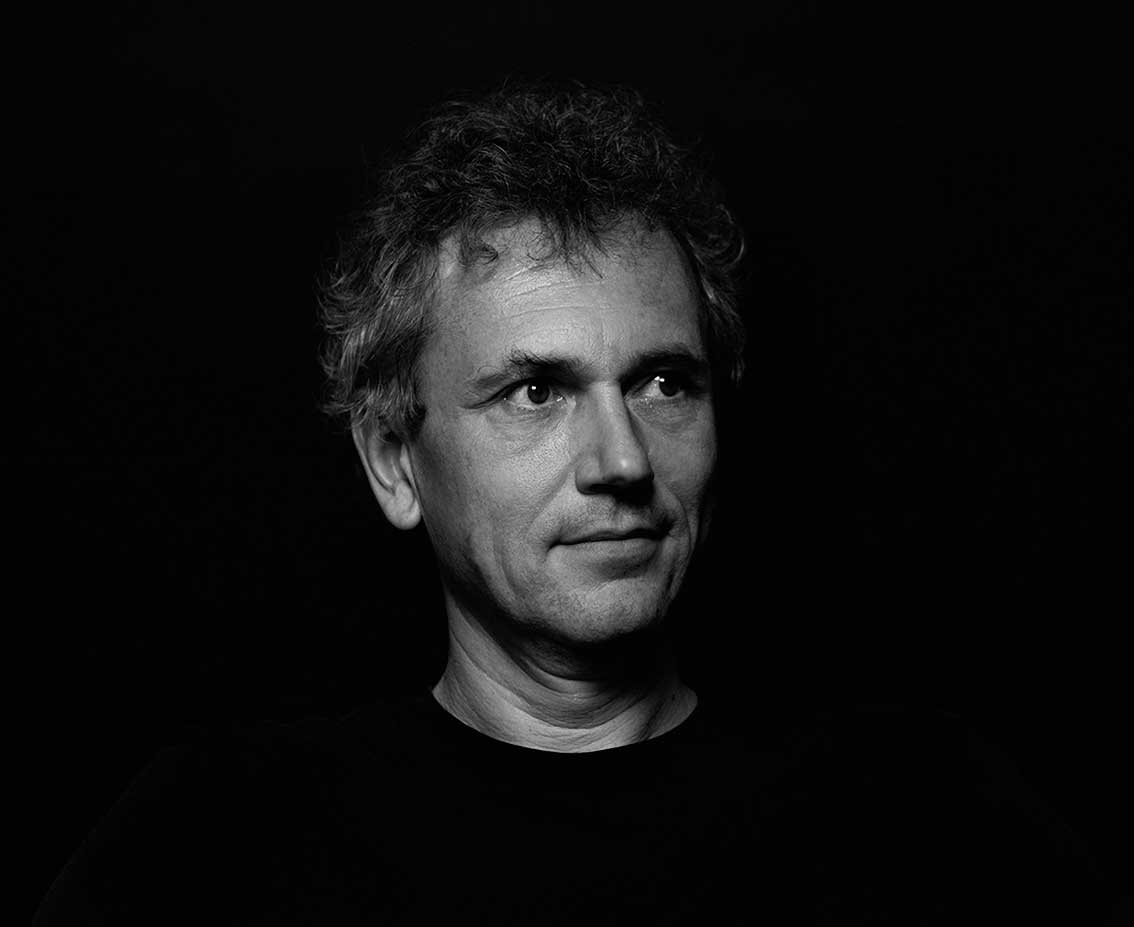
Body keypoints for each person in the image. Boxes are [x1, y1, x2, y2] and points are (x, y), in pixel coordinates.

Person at [35, 82, 1122, 925]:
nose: (622, 460)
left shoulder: (928, 812)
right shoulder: (213, 841)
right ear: (395, 463)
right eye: (537, 392)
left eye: (665, 382)